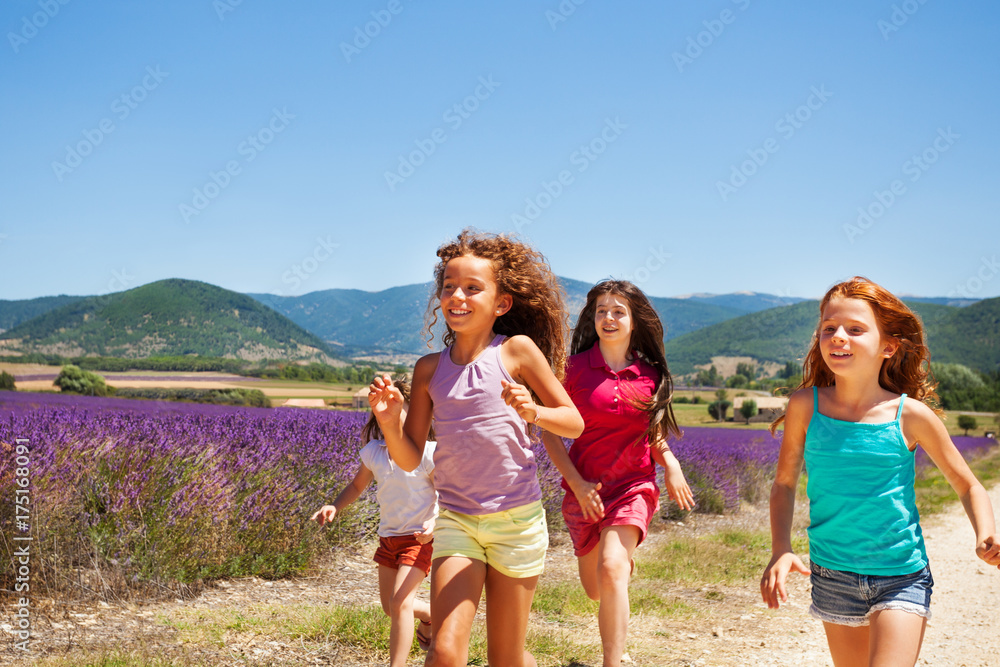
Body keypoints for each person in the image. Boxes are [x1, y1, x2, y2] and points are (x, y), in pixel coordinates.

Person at [368, 228, 585, 667]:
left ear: (501, 303)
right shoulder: (429, 370)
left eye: (472, 287)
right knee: (446, 650)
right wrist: (391, 423)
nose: (457, 296)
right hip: (457, 523)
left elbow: (574, 423)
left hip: (517, 524)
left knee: (505, 658)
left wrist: (534, 412)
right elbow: (410, 457)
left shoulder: (516, 352)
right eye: (448, 287)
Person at [760, 276, 1000, 667]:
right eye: (829, 329)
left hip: (901, 575)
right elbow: (784, 484)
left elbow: (967, 484)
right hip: (832, 574)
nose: (838, 336)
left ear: (888, 347)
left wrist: (986, 533)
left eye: (855, 329)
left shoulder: (910, 415)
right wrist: (780, 550)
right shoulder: (805, 406)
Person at [541, 279, 695, 667]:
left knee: (611, 567)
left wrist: (671, 464)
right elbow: (551, 435)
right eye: (601, 311)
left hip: (633, 487)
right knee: (596, 588)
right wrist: (576, 484)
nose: (608, 318)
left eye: (618, 311)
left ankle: (612, 660)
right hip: (585, 491)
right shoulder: (570, 370)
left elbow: (654, 437)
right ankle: (620, 565)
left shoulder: (649, 376)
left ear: (633, 320)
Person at [311, 377, 437, 667]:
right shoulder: (373, 453)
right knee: (390, 608)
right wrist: (334, 505)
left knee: (400, 603)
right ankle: (431, 613)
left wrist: (435, 520)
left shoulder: (428, 452)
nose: (390, 417)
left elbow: (443, 490)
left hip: (418, 538)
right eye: (384, 412)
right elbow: (356, 487)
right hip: (388, 539)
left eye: (398, 410)